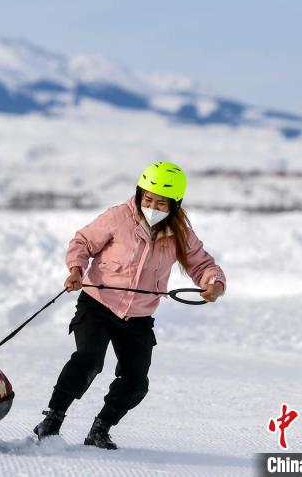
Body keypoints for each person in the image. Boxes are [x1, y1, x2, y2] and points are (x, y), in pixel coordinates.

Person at [33, 162, 227, 450]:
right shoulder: (118, 217)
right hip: (98, 304)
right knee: (88, 361)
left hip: (139, 317)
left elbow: (203, 264)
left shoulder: (180, 233)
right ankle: (52, 420)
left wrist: (214, 284)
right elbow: (82, 242)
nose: (151, 206)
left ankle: (100, 430)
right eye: (147, 198)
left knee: (136, 382)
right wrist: (76, 269)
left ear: (175, 204)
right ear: (138, 194)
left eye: (161, 202)